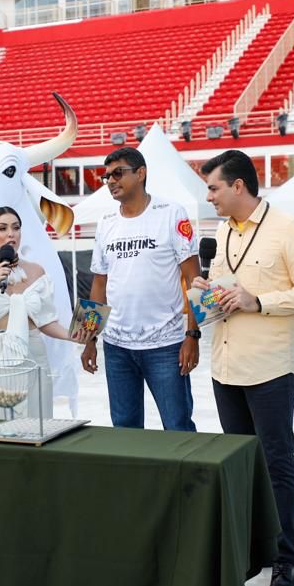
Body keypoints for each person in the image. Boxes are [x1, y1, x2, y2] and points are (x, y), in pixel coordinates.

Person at [191, 150, 294, 586]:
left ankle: (286, 560)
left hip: (269, 368)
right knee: (243, 464)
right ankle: (254, 550)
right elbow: (224, 294)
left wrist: (258, 300)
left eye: (212, 187)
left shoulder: (289, 228)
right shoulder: (223, 231)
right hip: (225, 366)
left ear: (237, 186)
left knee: (276, 463)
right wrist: (205, 296)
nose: (207, 196)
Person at [81, 147, 201, 432]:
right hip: (117, 347)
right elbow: (99, 283)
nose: (110, 180)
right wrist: (88, 338)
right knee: (124, 429)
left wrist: (193, 336)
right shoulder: (106, 223)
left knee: (178, 427)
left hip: (166, 345)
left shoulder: (171, 213)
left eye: (118, 173)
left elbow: (194, 278)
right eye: (106, 176)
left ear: (141, 173)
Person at [0, 206, 79, 418]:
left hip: (32, 356)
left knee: (35, 421)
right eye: (2, 228)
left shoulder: (36, 271)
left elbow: (46, 321)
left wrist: (75, 335)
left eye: (16, 228)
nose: (10, 234)